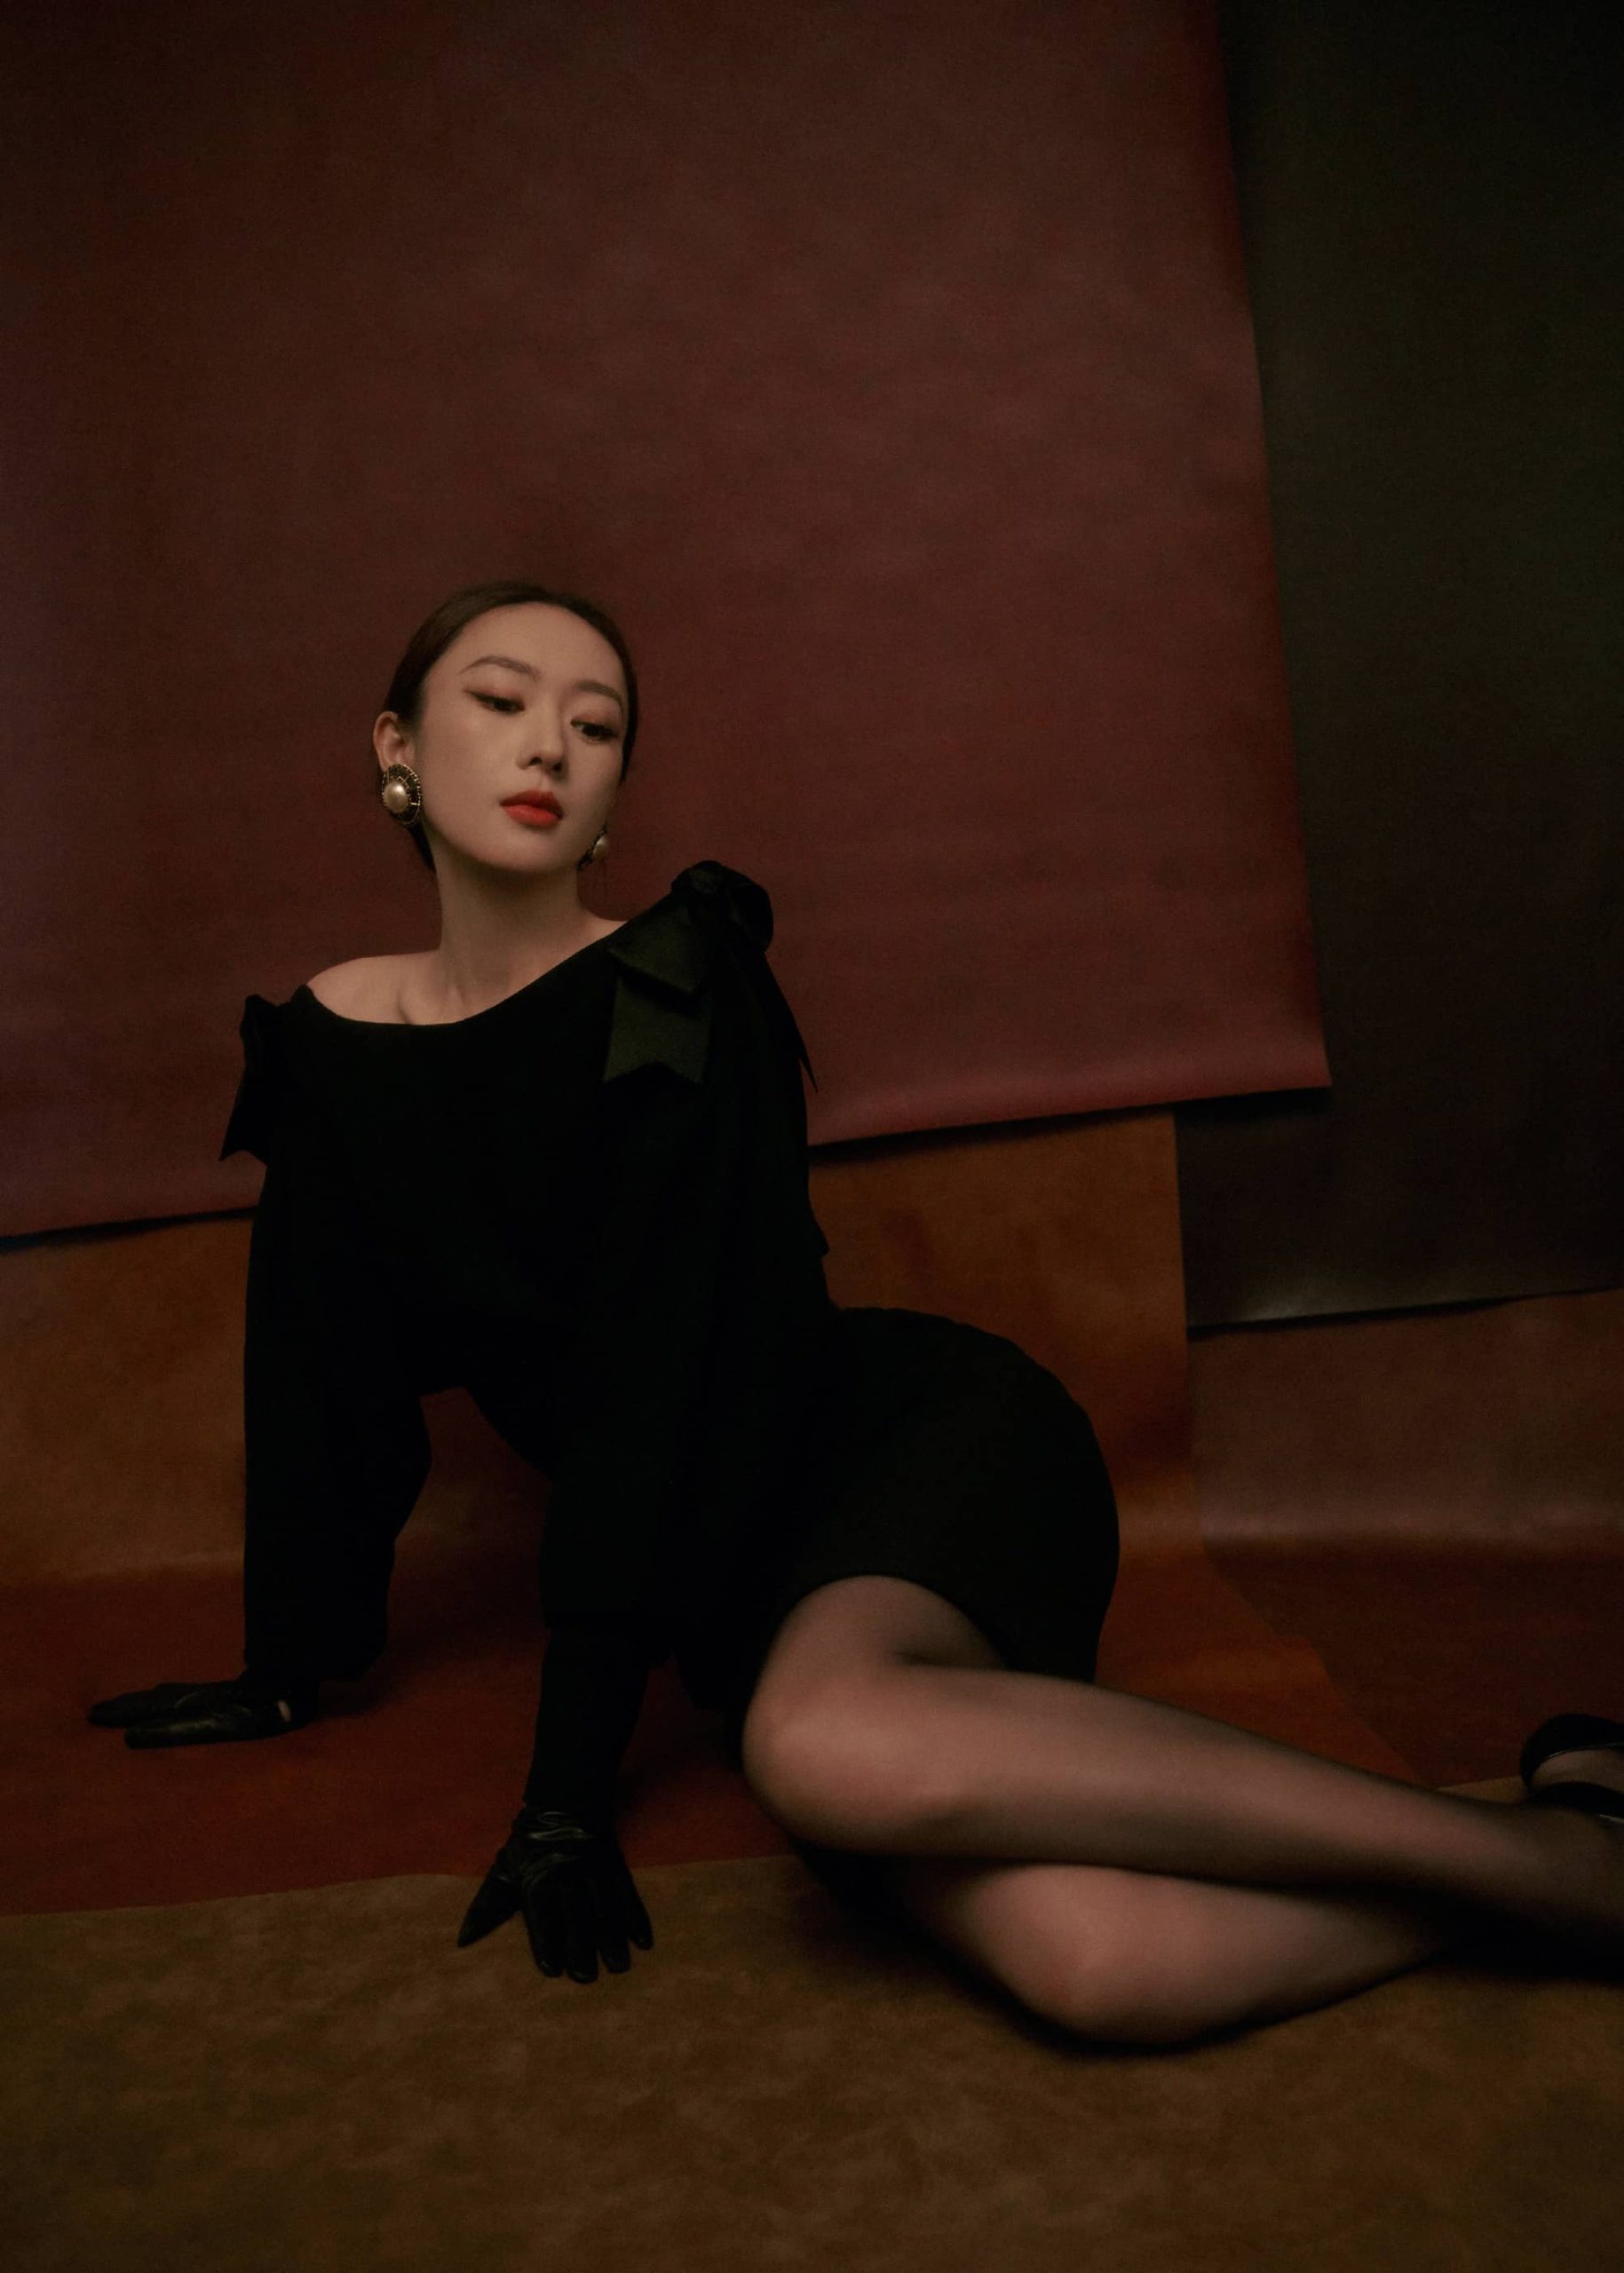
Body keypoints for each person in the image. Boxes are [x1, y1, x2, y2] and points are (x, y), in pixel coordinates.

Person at [90, 581, 1624, 2044]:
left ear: (615, 787)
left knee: (818, 1746)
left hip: (898, 1452)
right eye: (499, 701)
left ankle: (1565, 1871)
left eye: (596, 723)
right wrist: (286, 1658)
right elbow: (319, 1367)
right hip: (731, 1564)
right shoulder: (332, 1039)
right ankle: (1548, 1853)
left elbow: (657, 1381)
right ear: (397, 745)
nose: (548, 743)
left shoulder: (672, 989)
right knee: (1103, 1967)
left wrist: (568, 1788)